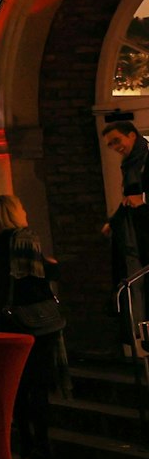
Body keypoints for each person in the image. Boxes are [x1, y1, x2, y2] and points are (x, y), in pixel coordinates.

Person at [0, 194, 62, 459]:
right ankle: (43, 446)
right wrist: (52, 268)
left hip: (8, 322)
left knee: (17, 385)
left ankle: (25, 445)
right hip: (37, 321)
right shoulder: (27, 239)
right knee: (39, 386)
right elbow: (36, 281)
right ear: (15, 213)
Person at [103, 121, 149, 351]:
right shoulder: (129, 165)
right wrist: (114, 221)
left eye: (117, 141)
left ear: (132, 135)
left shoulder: (145, 160)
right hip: (139, 235)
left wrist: (144, 200)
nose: (115, 147)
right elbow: (130, 197)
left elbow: (138, 196)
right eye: (111, 144)